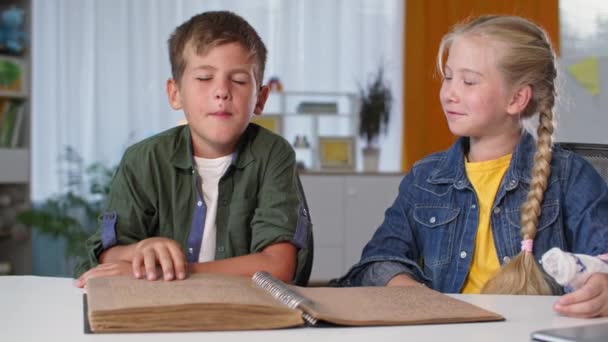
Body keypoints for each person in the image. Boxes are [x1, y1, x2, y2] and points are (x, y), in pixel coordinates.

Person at [336, 15, 608, 318]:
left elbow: (602, 258)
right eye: (448, 77)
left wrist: (603, 285)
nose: (449, 92)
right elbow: (376, 261)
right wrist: (413, 293)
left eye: (468, 81)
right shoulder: (425, 179)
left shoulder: (571, 176)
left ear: (517, 98)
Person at [74, 11, 311, 287]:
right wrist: (138, 252)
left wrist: (180, 271)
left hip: (243, 316)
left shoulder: (274, 154)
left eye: (239, 80)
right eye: (204, 78)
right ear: (175, 93)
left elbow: (278, 266)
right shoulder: (143, 159)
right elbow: (105, 258)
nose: (222, 91)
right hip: (160, 313)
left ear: (260, 98)